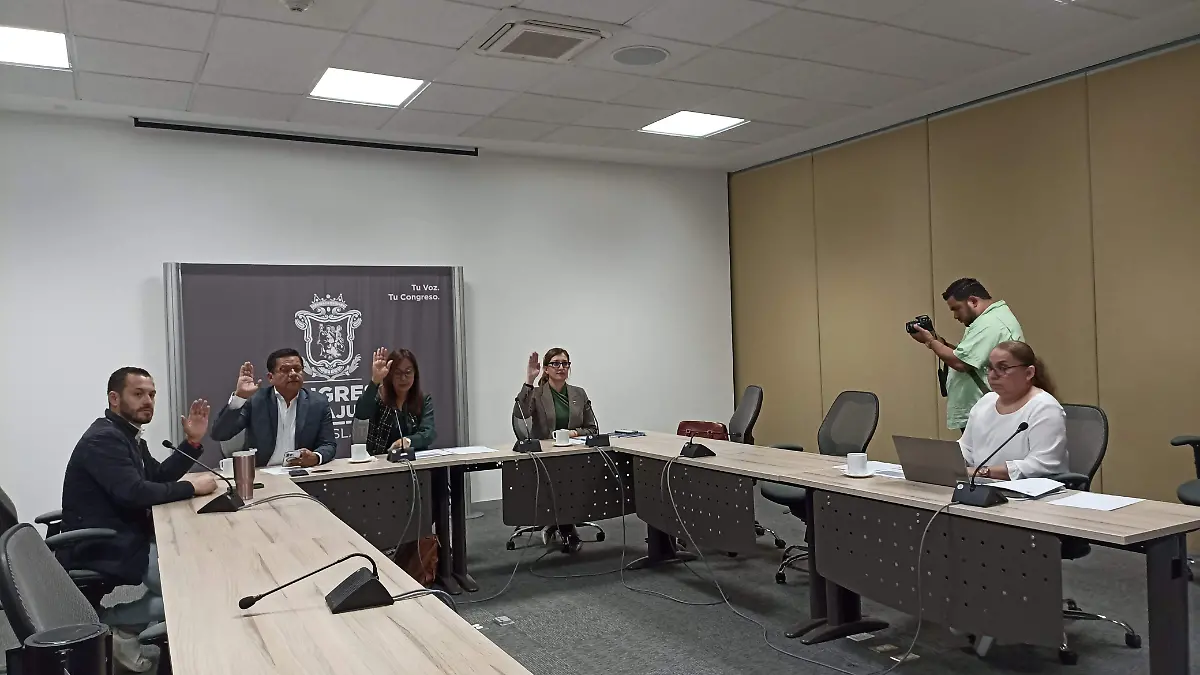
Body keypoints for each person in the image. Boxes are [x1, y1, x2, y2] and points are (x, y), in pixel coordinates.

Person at [58, 367, 218, 672]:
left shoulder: (126, 434)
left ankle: (125, 631)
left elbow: (156, 477)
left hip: (126, 533)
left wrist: (192, 442)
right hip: (104, 543)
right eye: (138, 394)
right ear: (114, 398)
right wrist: (190, 487)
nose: (148, 401)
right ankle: (111, 623)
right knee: (188, 589)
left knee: (192, 581)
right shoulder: (104, 439)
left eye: (152, 394)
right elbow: (134, 493)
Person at [910, 278, 1023, 433]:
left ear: (973, 301)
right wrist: (936, 340)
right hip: (984, 410)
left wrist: (930, 342)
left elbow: (960, 363)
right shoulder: (989, 320)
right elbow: (965, 355)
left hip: (990, 413)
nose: (955, 316)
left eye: (956, 309)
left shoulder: (990, 323)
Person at [513, 348, 599, 552]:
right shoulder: (536, 393)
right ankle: (565, 528)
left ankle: (562, 522)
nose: (561, 367)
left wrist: (572, 433)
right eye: (555, 363)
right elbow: (520, 413)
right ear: (546, 369)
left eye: (565, 363)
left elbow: (592, 428)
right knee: (559, 477)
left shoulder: (579, 393)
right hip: (545, 456)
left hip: (573, 454)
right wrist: (529, 381)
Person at [210, 348, 336, 467]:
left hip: (300, 472)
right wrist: (240, 397)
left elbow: (328, 444)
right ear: (270, 377)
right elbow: (220, 434)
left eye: (297, 369)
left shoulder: (318, 403)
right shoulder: (256, 401)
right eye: (285, 370)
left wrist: (316, 457)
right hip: (262, 472)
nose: (293, 374)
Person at [959, 341, 1067, 480]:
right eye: (990, 368)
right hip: (980, 484)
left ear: (1029, 373)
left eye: (1003, 368)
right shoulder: (986, 401)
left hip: (1028, 488)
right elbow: (966, 448)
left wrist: (982, 472)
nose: (992, 375)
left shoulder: (1045, 408)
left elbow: (1040, 464)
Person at [355, 347, 436, 455]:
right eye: (398, 373)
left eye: (408, 372)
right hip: (381, 460)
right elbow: (361, 413)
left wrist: (408, 441)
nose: (403, 378)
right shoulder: (379, 396)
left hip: (416, 461)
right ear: (390, 374)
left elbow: (428, 433)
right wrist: (375, 381)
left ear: (415, 374)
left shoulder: (424, 399)